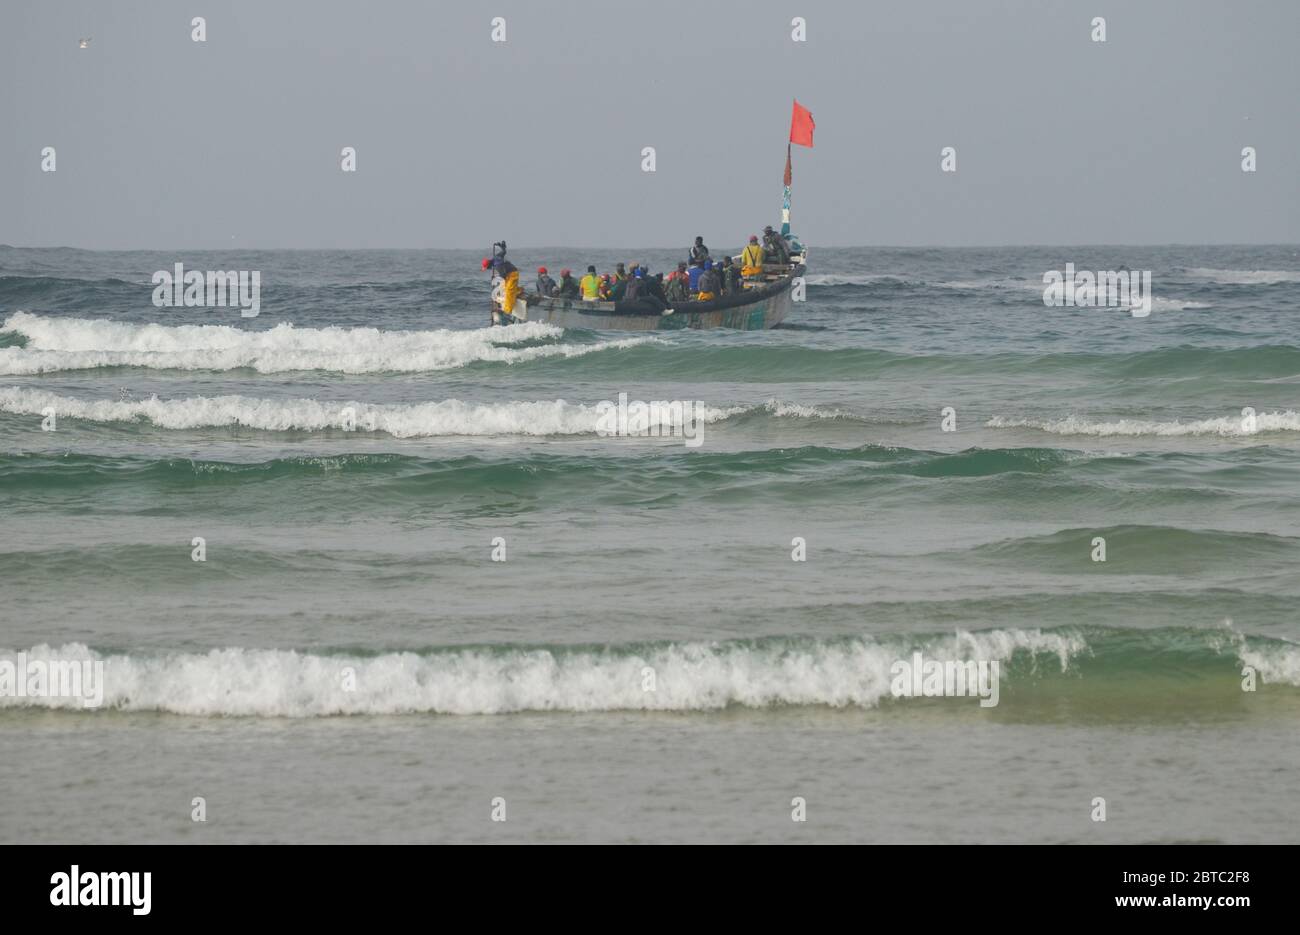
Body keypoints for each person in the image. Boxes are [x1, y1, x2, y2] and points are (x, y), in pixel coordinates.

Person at [482, 244, 520, 315]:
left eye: (487, 268)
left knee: (509, 291)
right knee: (505, 288)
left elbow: (503, 274)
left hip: (512, 274)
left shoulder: (497, 265)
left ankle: (507, 311)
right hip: (510, 273)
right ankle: (517, 291)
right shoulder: (496, 257)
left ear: (488, 265)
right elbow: (504, 252)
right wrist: (502, 247)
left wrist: (497, 278)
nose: (488, 269)